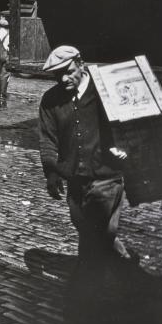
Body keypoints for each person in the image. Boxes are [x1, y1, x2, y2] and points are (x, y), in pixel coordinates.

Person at [38, 45, 133, 265]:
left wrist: (124, 146)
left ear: (81, 64)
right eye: (57, 74)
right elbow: (48, 138)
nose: (63, 79)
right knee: (87, 228)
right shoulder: (51, 100)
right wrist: (51, 173)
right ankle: (122, 258)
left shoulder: (106, 90)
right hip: (74, 179)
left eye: (69, 71)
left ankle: (85, 290)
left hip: (106, 177)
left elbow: (132, 121)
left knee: (92, 240)